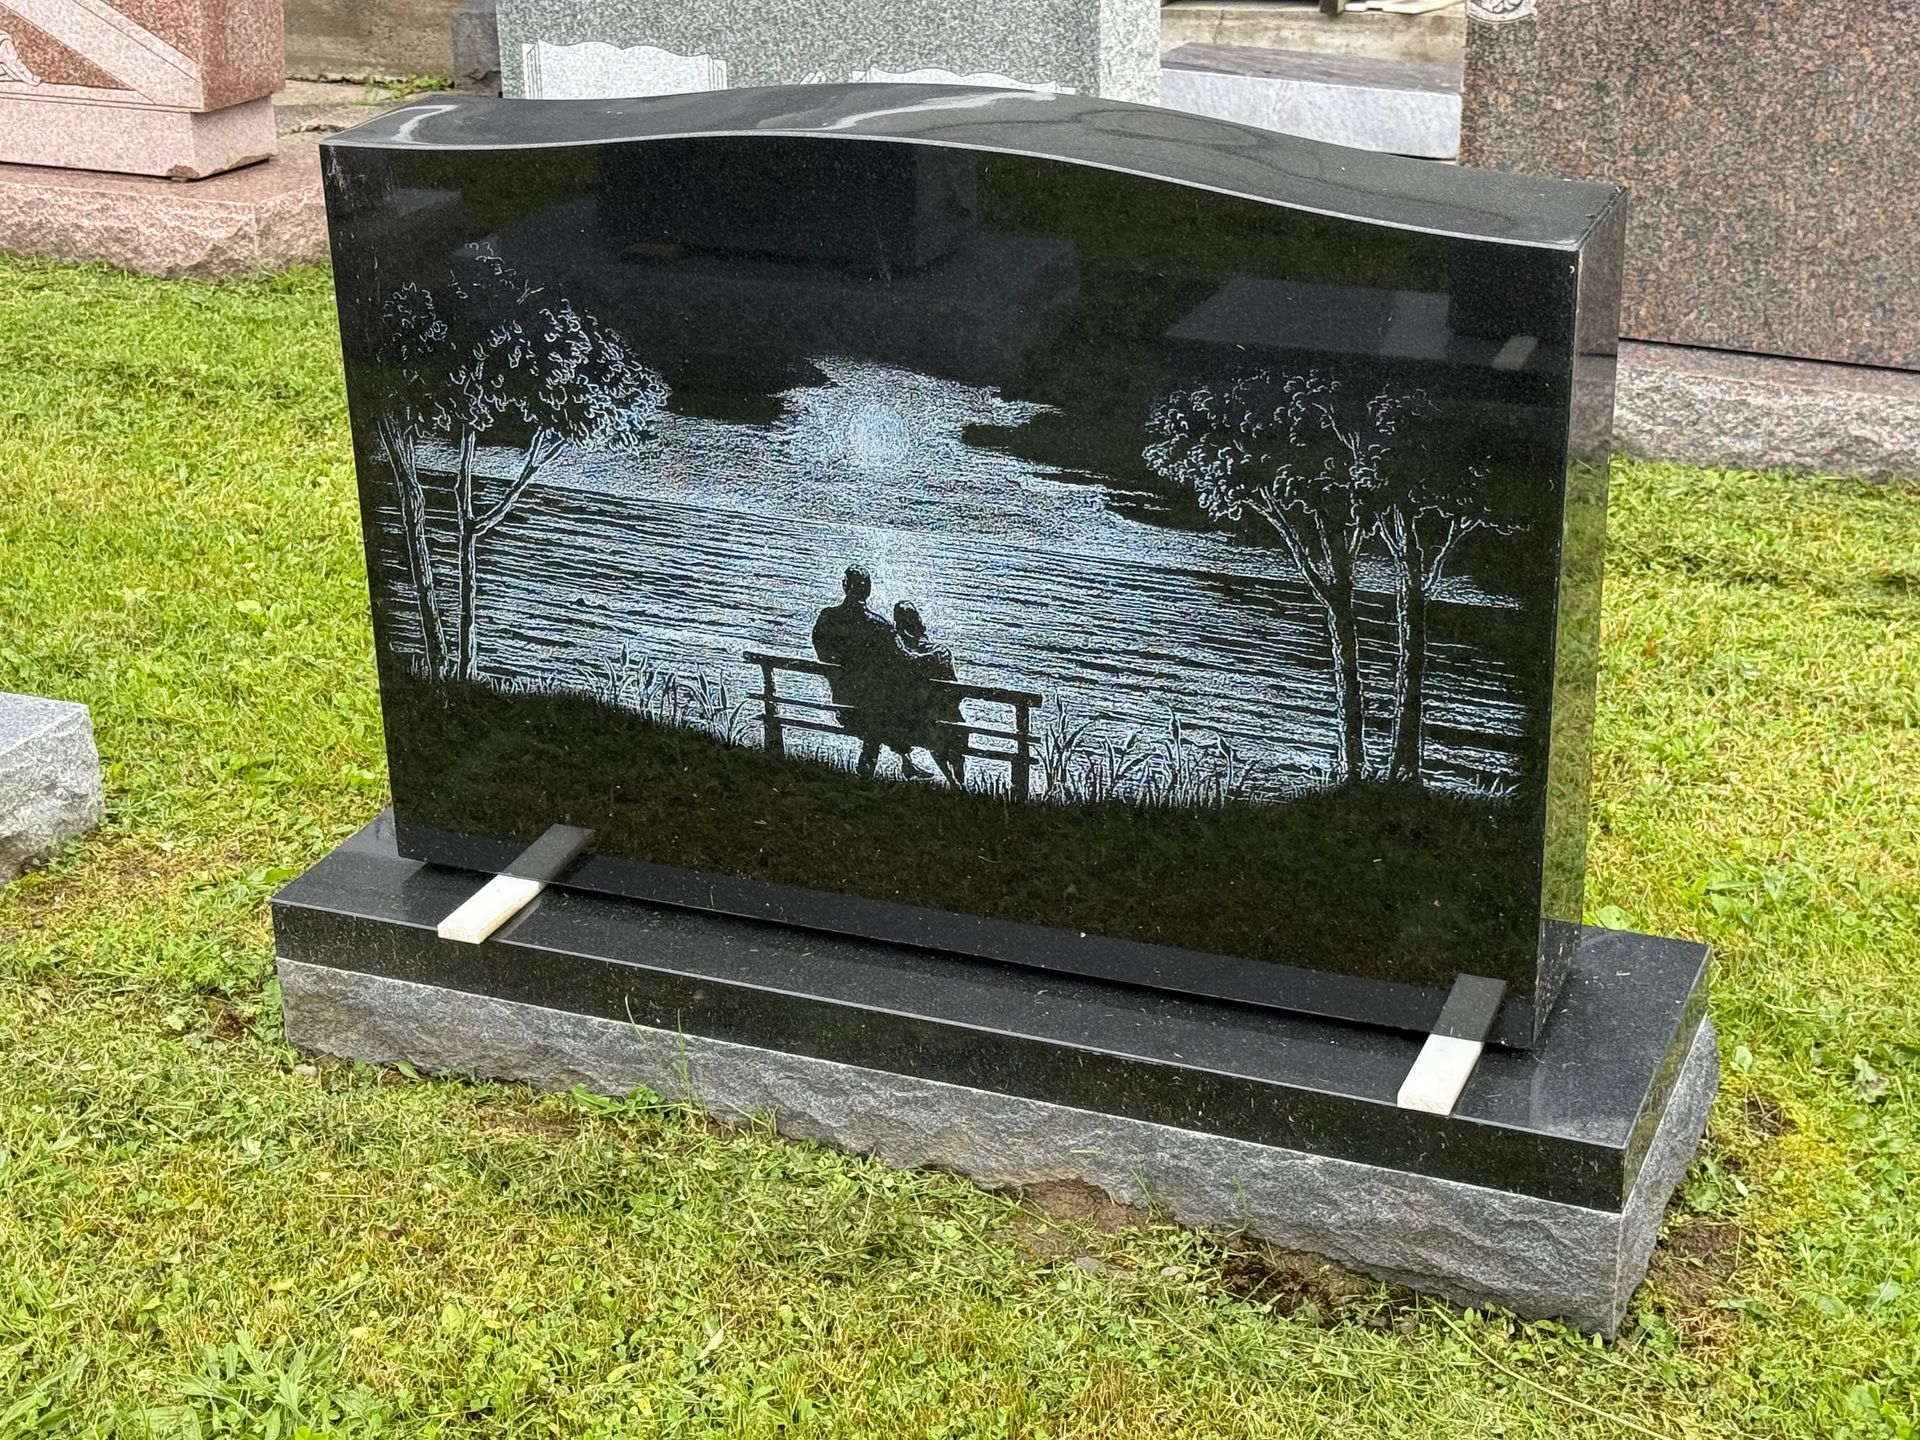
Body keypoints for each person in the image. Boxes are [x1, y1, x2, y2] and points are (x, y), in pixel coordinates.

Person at [811, 566, 926, 778]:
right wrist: (927, 657)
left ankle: (900, 764)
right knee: (888, 705)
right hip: (873, 706)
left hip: (842, 697)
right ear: (868, 590)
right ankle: (893, 764)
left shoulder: (827, 617)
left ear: (845, 586)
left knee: (876, 705)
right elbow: (903, 659)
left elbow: (822, 652)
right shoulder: (879, 625)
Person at [893, 602, 967, 788]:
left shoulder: (896, 655)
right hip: (937, 723)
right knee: (947, 722)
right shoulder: (940, 652)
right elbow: (955, 692)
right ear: (918, 622)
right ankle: (958, 781)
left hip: (908, 723)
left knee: (933, 722)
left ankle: (954, 782)